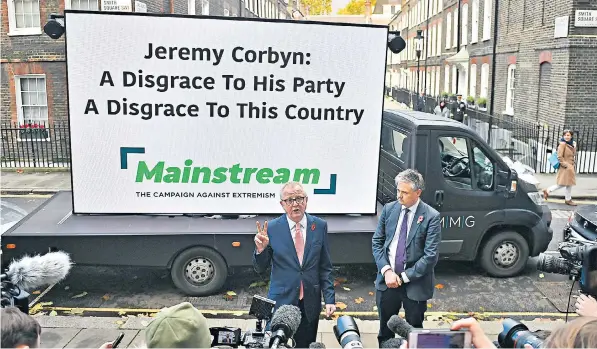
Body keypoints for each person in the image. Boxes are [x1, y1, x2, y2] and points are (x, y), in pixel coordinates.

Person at [253, 182, 336, 348]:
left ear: (306, 200)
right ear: (282, 204)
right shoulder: (272, 228)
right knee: (277, 344)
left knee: (305, 345)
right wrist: (260, 250)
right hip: (282, 301)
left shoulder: (319, 226)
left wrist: (329, 299)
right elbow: (260, 269)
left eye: (299, 198)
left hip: (309, 302)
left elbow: (325, 266)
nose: (295, 204)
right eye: (290, 200)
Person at [372, 168, 442, 346]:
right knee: (385, 332)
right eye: (398, 191)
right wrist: (387, 271)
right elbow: (377, 243)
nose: (399, 196)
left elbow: (430, 257)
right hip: (387, 283)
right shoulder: (389, 210)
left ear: (418, 192)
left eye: (404, 192)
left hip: (414, 284)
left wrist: (402, 278)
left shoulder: (431, 217)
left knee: (413, 333)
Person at [543, 129, 577, 206]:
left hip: (570, 167)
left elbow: (574, 154)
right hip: (565, 167)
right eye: (565, 135)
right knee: (562, 184)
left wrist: (574, 147)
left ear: (571, 136)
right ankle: (548, 190)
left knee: (569, 184)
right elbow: (559, 156)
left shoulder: (571, 144)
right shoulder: (562, 144)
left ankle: (568, 199)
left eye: (568, 135)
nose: (566, 137)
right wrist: (565, 165)